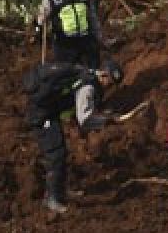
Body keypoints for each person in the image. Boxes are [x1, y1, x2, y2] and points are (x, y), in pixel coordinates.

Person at [22, 60, 124, 214]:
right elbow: (85, 120)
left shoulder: (85, 72)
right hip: (42, 115)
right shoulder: (89, 86)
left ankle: (60, 192)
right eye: (109, 82)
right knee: (56, 155)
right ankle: (52, 198)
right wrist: (107, 121)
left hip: (49, 112)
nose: (107, 87)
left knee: (60, 152)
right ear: (103, 74)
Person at [34, 0, 100, 67]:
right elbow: (42, 15)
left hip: (85, 40)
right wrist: (39, 27)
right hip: (64, 45)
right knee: (68, 74)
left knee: (92, 72)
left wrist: (97, 35)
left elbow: (92, 15)